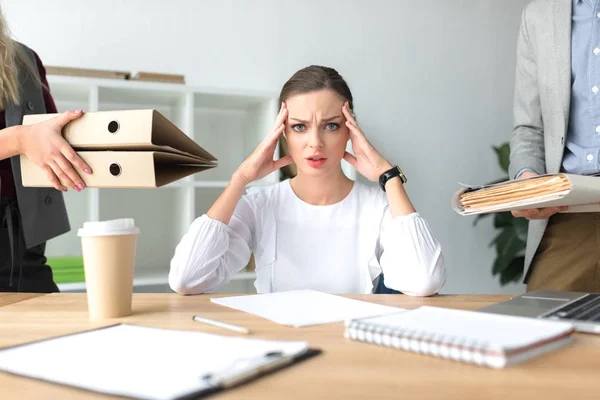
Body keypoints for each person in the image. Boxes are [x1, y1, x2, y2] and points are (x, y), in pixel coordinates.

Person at [169, 65, 445, 295]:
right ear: (283, 133)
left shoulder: (378, 207)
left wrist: (390, 176)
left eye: (331, 126)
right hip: (279, 349)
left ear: (351, 131)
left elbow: (425, 280)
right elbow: (186, 279)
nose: (315, 142)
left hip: (350, 351)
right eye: (300, 127)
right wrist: (240, 179)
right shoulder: (259, 205)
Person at [509, 0, 600, 292]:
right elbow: (529, 127)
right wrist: (527, 179)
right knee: (539, 326)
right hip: (568, 212)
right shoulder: (538, 15)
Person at [0, 8, 92, 292]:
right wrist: (21, 138)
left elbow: (48, 127)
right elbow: (29, 137)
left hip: (25, 231)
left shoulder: (24, 59)